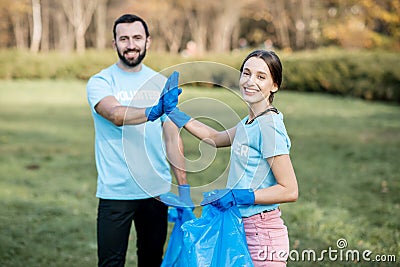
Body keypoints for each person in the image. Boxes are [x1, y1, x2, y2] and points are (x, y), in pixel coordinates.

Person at [166, 50, 298, 266]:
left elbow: (289, 189)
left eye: (261, 76)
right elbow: (214, 138)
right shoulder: (251, 121)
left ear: (274, 85)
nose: (250, 81)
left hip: (262, 234)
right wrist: (175, 113)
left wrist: (238, 196)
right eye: (246, 73)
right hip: (241, 227)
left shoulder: (269, 126)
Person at [86, 14, 193, 267]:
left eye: (137, 37)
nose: (130, 44)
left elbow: (172, 137)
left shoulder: (160, 83)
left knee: (151, 261)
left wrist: (184, 189)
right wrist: (152, 111)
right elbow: (113, 114)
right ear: (114, 43)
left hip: (156, 192)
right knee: (111, 263)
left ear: (148, 41)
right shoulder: (101, 81)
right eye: (123, 38)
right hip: (116, 191)